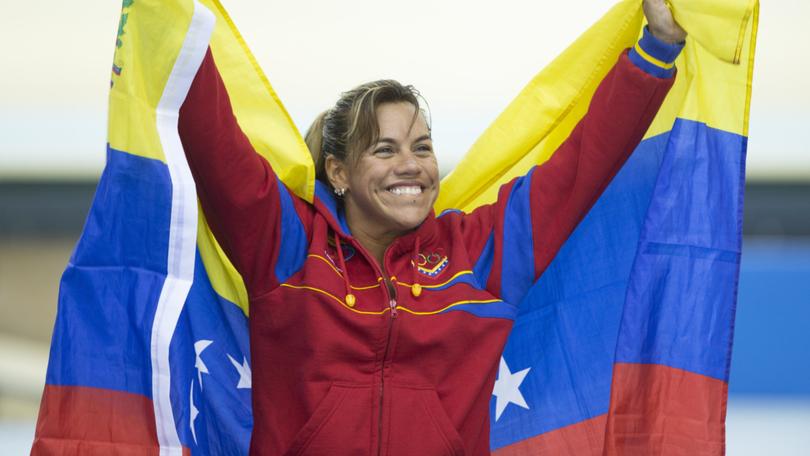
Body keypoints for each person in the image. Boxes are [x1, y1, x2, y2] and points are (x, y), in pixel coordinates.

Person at [178, 1, 686, 454]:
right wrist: (175, 20)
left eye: (421, 147)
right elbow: (215, 144)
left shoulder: (482, 253)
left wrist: (657, 48)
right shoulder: (287, 247)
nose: (411, 165)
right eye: (385, 149)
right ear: (338, 172)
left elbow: (582, 165)